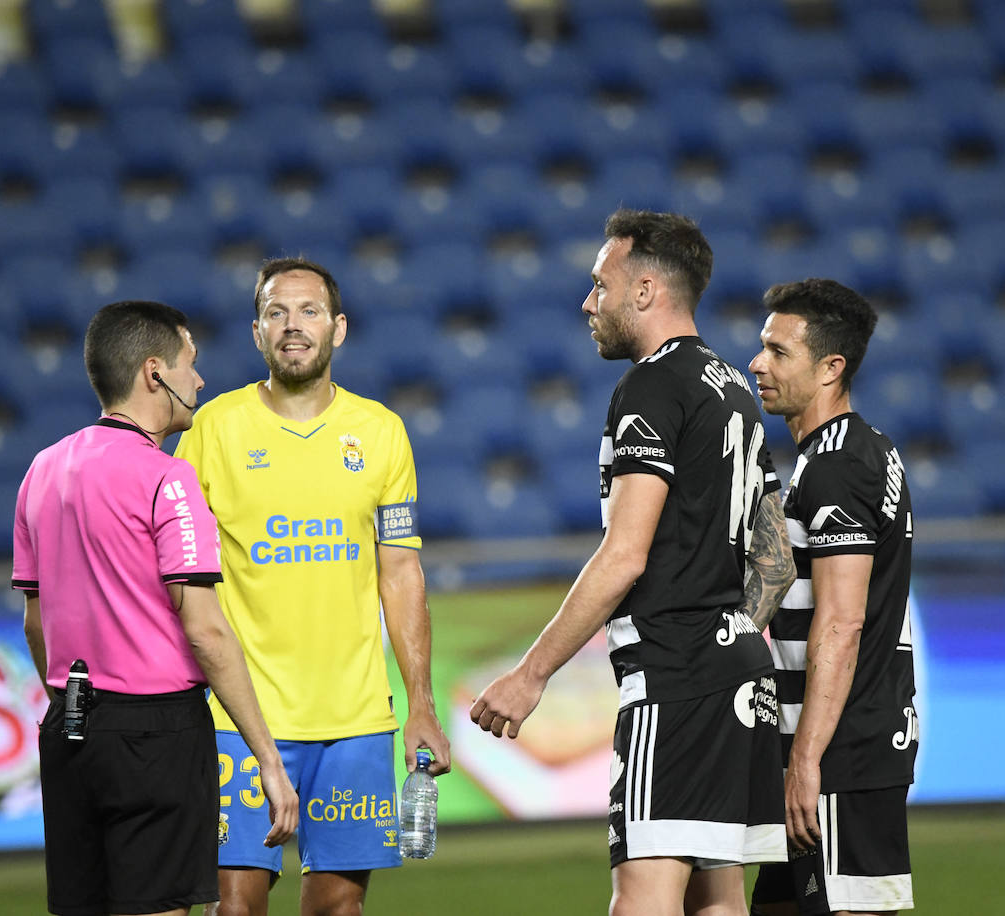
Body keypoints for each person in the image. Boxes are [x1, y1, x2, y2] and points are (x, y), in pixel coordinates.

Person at [470, 209, 796, 916]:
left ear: (645, 290)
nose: (589, 302)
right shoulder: (734, 390)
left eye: (600, 285)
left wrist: (531, 676)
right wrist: (731, 639)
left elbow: (624, 555)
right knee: (719, 900)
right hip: (741, 676)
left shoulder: (650, 387)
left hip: (674, 679)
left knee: (642, 899)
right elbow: (776, 559)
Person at [173, 257, 451, 916]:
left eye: (308, 311)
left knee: (337, 909)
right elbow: (176, 568)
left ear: (339, 328)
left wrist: (420, 704)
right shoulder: (213, 429)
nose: (292, 326)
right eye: (276, 312)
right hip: (238, 717)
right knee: (234, 907)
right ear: (256, 331)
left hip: (353, 720)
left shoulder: (381, 433)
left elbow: (401, 571)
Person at [13, 300, 299, 916]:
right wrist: (268, 760)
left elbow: (37, 624)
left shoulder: (41, 471)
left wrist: (78, 710)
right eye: (190, 364)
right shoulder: (168, 479)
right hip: (157, 735)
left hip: (70, 726)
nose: (199, 380)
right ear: (153, 373)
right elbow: (207, 634)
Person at [745, 279, 918, 915]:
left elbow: (843, 622)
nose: (758, 364)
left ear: (830, 368)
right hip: (839, 740)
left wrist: (807, 759)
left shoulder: (836, 467)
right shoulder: (854, 452)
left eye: (777, 351)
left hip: (841, 752)